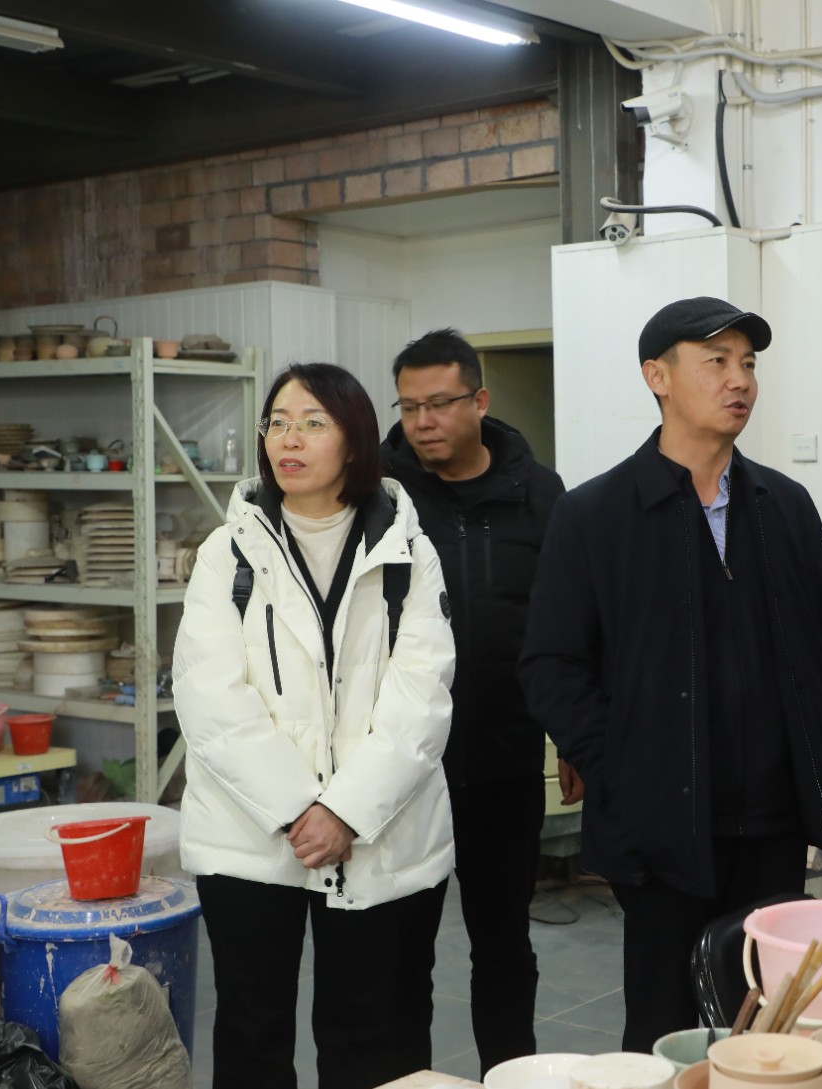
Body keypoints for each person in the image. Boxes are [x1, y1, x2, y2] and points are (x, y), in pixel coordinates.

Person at [519, 297, 822, 1051]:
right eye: (716, 361)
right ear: (659, 377)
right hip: (661, 824)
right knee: (665, 1026)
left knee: (770, 1024)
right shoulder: (595, 515)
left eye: (748, 363)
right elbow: (551, 663)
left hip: (775, 819)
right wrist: (618, 765)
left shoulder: (784, 505)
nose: (739, 379)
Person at [173, 362, 457, 1089]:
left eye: (311, 423)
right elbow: (209, 697)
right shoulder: (226, 552)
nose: (288, 439)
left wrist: (347, 811)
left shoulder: (408, 552)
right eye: (276, 422)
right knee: (253, 1030)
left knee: (374, 1031)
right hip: (250, 834)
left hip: (381, 833)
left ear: (355, 441)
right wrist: (301, 809)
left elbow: (422, 696)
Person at [381, 328, 565, 1075]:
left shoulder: (540, 493)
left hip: (504, 755)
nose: (422, 422)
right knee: (402, 950)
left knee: (504, 943)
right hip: (402, 765)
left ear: (480, 401)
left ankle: (509, 1075)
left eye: (439, 404)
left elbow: (567, 623)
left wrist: (572, 736)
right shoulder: (379, 497)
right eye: (408, 406)